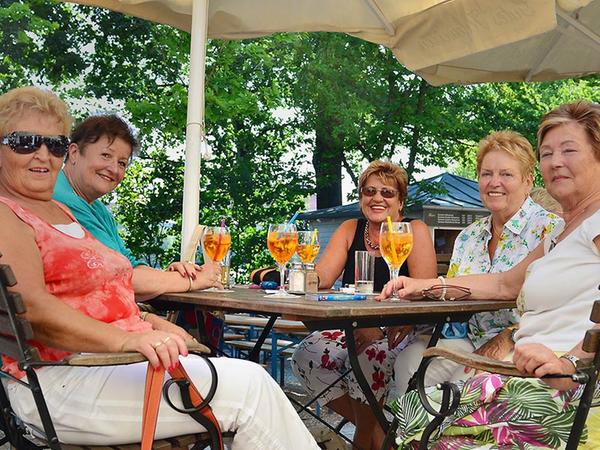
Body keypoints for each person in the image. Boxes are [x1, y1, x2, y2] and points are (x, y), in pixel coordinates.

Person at [0, 86, 318, 449]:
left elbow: (93, 294)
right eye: (24, 142)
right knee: (250, 389)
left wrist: (149, 322)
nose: (43, 154)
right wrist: (129, 338)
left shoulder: (62, 211)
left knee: (248, 389)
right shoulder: (7, 213)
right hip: (66, 381)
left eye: (54, 144)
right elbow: (34, 309)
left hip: (108, 367)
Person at [381, 101, 600, 449]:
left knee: (421, 426)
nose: (556, 161)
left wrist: (571, 360)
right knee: (409, 414)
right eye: (547, 153)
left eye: (569, 150)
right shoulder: (560, 232)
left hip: (560, 386)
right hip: (521, 371)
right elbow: (503, 284)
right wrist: (423, 284)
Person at [393, 131, 562, 393]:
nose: (494, 182)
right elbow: (454, 296)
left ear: (528, 181)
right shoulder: (468, 237)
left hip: (524, 343)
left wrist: (509, 337)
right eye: (486, 174)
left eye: (506, 174)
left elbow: (557, 309)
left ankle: (443, 434)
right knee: (409, 362)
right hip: (466, 337)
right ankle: (415, 435)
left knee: (464, 384)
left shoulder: (551, 230)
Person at [291, 160, 437, 450]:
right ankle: (380, 432)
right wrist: (295, 273)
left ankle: (361, 441)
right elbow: (323, 276)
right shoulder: (350, 229)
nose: (377, 198)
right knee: (306, 353)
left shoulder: (413, 230)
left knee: (369, 356)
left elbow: (425, 291)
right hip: (353, 324)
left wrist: (382, 329)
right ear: (361, 198)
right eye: (369, 191)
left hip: (400, 327)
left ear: (400, 202)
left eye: (387, 192)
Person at [53, 114, 221, 302]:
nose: (114, 169)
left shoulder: (97, 209)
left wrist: (173, 274)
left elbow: (130, 265)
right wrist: (193, 280)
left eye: (122, 163)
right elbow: (119, 278)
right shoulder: (60, 199)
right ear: (74, 153)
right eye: (106, 155)